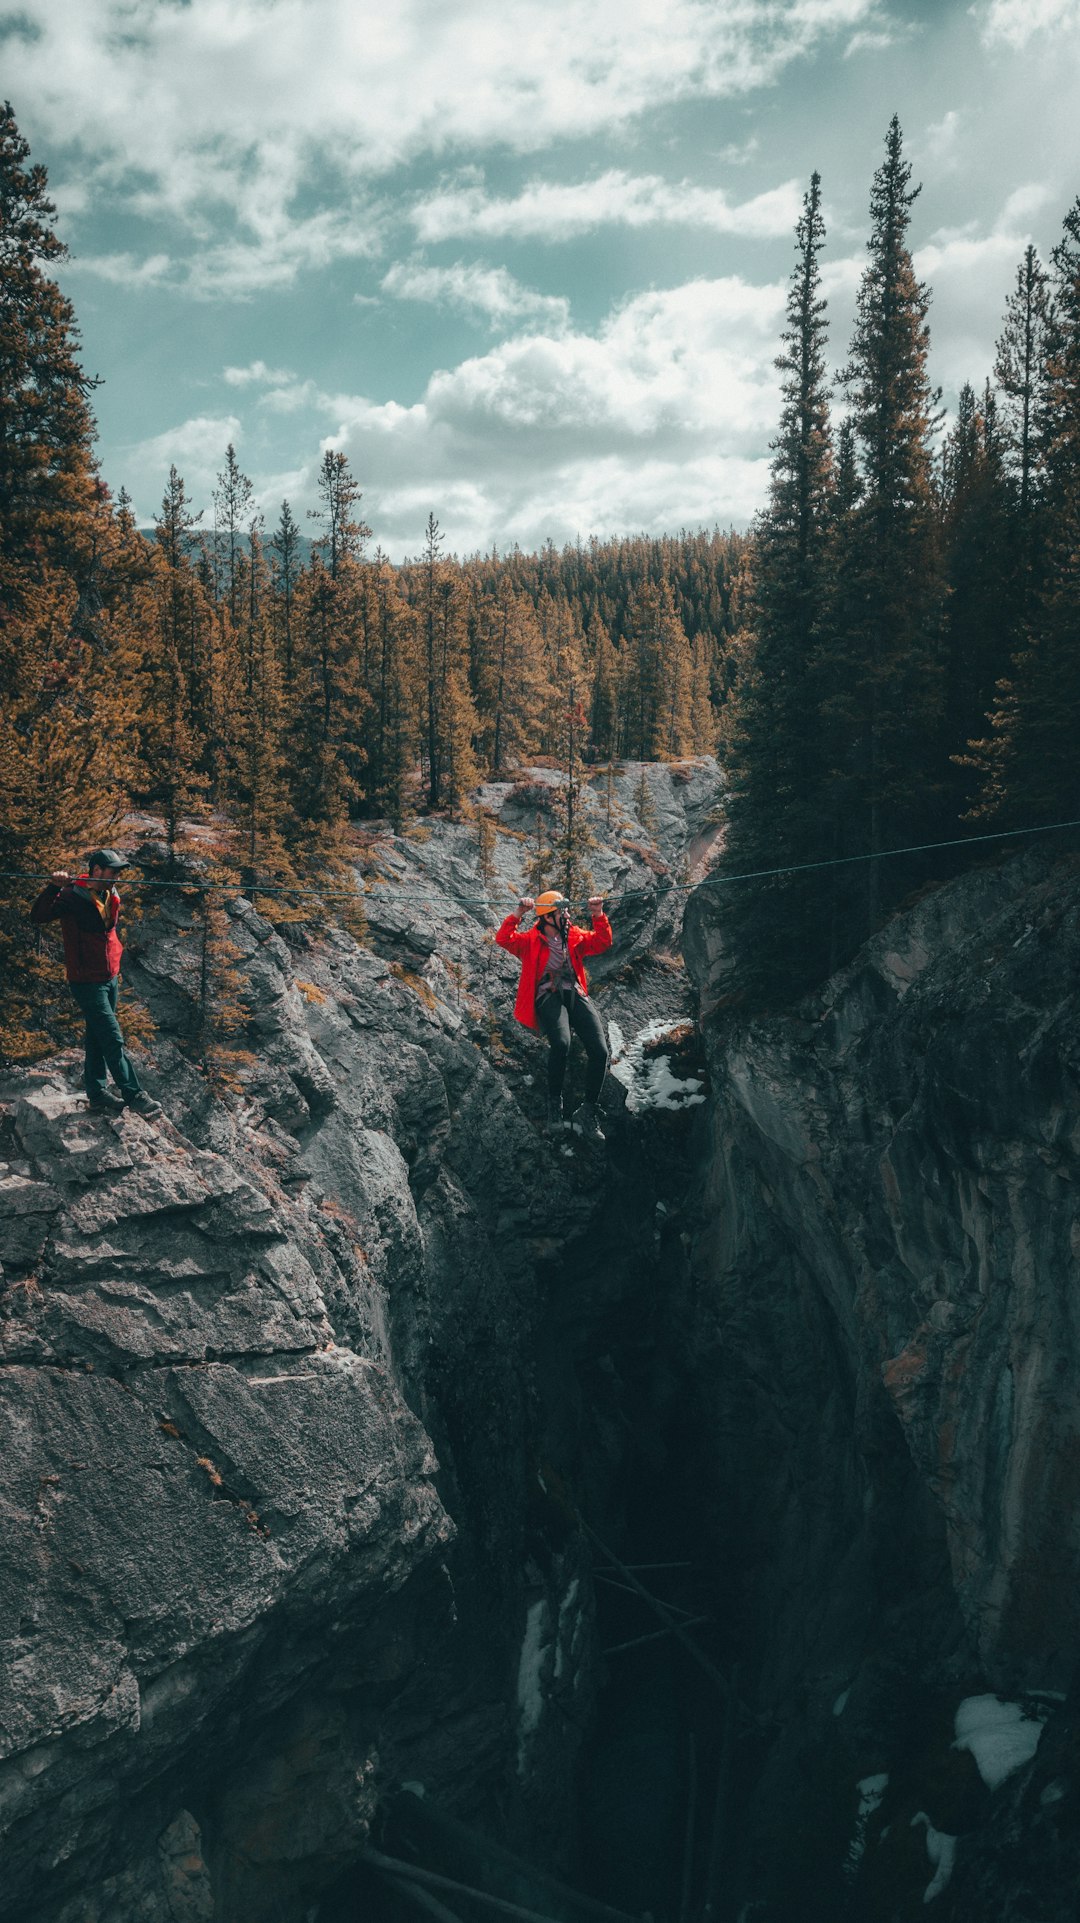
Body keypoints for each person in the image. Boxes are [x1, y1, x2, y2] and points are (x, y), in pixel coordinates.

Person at [30, 850, 160, 1116]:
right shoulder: (70, 895)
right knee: (112, 1038)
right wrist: (53, 886)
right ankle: (134, 1095)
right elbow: (39, 916)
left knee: (96, 1038)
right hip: (86, 981)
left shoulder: (111, 895)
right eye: (114, 872)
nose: (117, 877)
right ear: (97, 870)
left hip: (109, 977)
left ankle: (97, 1093)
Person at [496, 889, 612, 1138]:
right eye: (563, 911)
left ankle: (588, 1110)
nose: (568, 915)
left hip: (574, 993)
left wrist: (598, 915)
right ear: (548, 917)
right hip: (548, 996)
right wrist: (519, 912)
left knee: (600, 1051)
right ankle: (554, 1108)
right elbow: (504, 939)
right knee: (561, 1043)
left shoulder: (574, 936)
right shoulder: (530, 941)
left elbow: (602, 942)